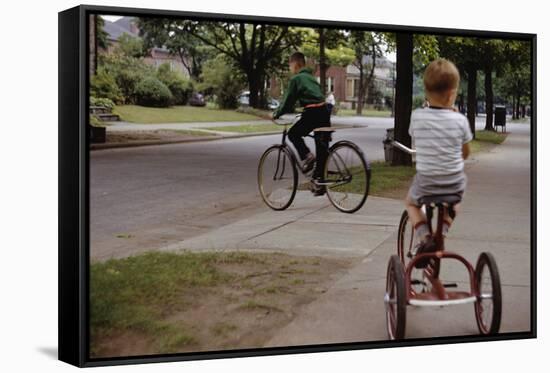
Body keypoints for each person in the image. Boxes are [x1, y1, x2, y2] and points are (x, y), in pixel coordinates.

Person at [406, 58, 473, 268]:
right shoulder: (460, 120)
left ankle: (425, 238)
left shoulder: (416, 117)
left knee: (410, 203)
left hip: (426, 182)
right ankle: (442, 232)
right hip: (454, 183)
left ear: (425, 91)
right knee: (456, 203)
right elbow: (466, 153)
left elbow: (416, 142)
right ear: (453, 93)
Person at [273, 52, 331, 196]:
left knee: (293, 134)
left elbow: (288, 102)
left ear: (296, 63)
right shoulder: (311, 78)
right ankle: (320, 184)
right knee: (322, 148)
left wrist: (276, 113)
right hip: (324, 111)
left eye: (290, 65)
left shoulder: (297, 79)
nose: (290, 68)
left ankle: (307, 155)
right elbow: (316, 95)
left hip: (312, 112)